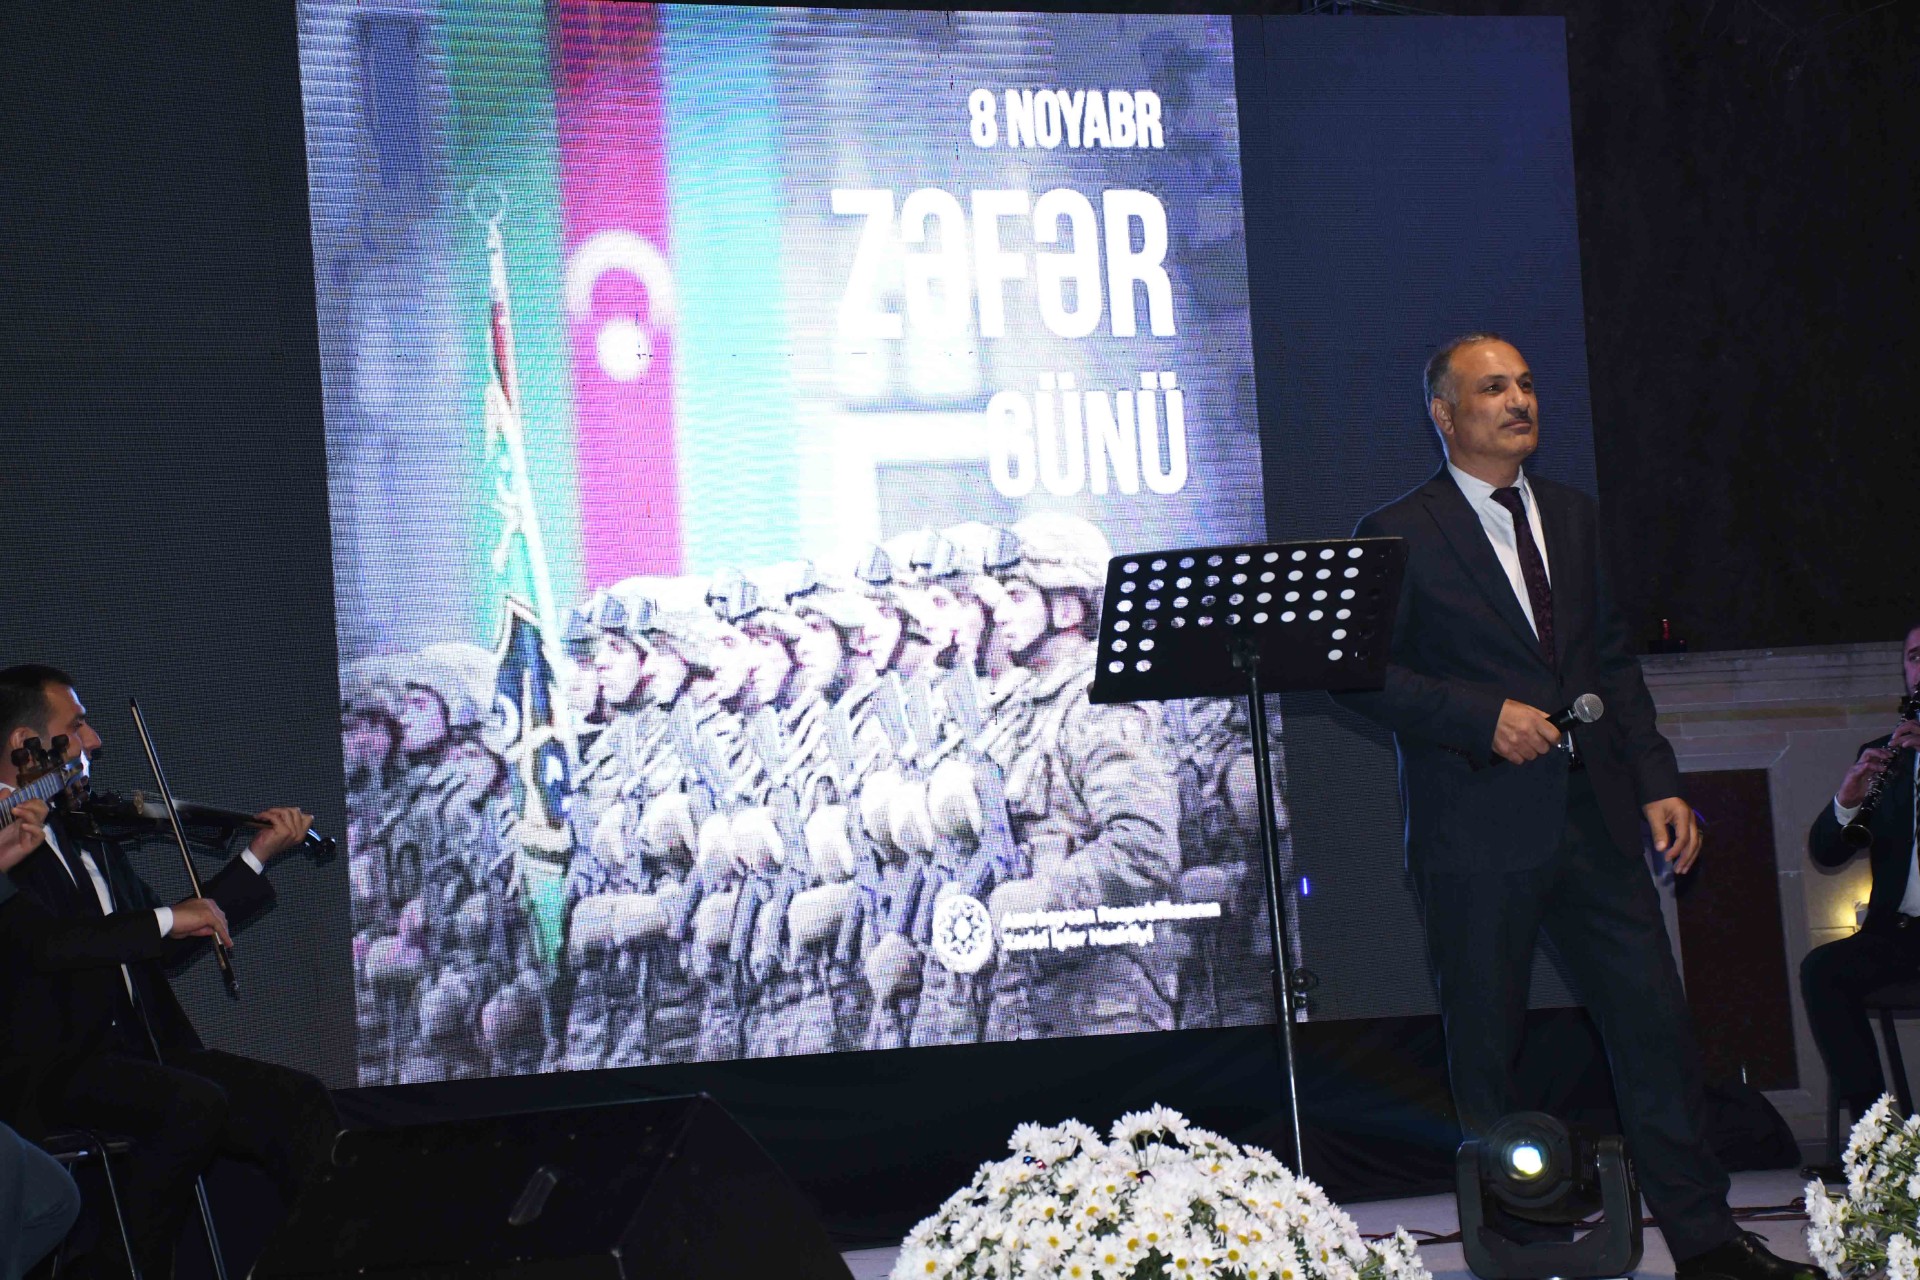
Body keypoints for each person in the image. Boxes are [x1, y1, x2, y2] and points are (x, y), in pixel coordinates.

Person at [1334, 336, 1809, 1280]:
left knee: (1655, 1031)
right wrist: (1482, 719)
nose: (1520, 400)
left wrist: (1658, 780)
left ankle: (1707, 1242)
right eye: (1493, 388)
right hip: (1475, 834)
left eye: (1525, 384)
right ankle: (1515, 1239)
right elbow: (1358, 674)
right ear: (1444, 414)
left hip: (1595, 821)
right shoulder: (1395, 531)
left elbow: (1611, 665)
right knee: (1488, 1050)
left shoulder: (1573, 515)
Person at [0, 664, 340, 1279]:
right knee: (190, 1105)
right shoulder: (6, 848)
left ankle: (331, 1262)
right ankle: (116, 1269)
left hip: (144, 1054)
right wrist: (164, 919)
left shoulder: (84, 831)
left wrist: (255, 856)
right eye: (78, 725)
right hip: (54, 1070)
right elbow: (52, 946)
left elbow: (168, 940)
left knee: (298, 1101)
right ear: (26, 744)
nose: (95, 740)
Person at [1801, 623, 1920, 1147]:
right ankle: (1878, 1141)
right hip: (1899, 934)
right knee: (1822, 970)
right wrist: (1847, 801)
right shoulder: (1884, 752)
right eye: (1915, 657)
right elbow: (1826, 852)